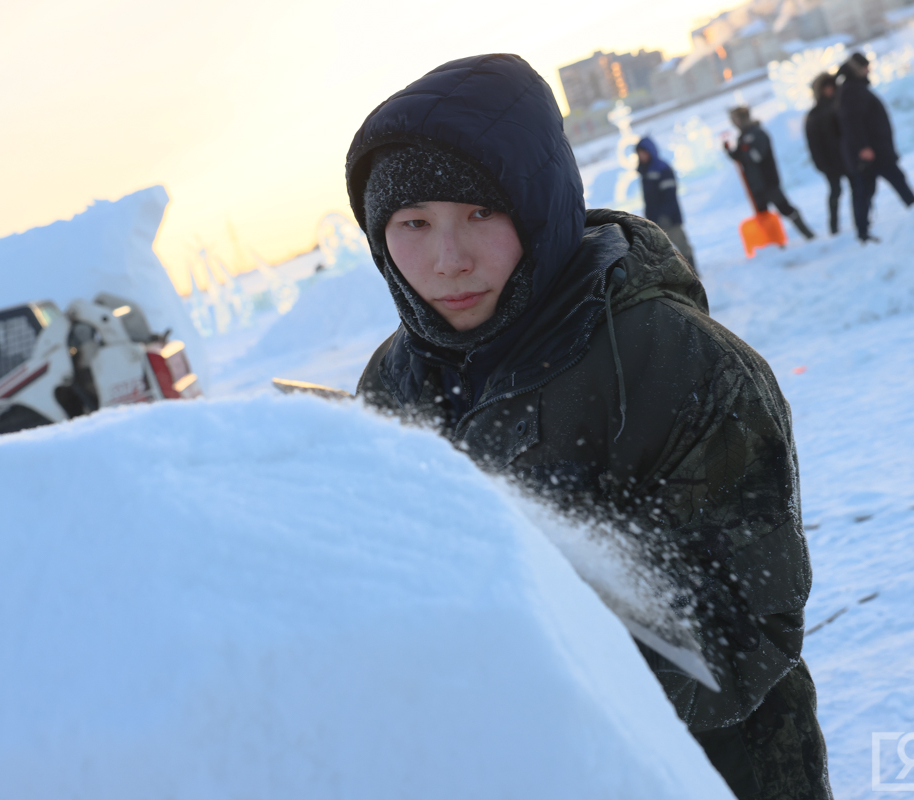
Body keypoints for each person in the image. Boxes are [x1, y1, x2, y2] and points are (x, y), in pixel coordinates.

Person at [347, 53, 832, 800]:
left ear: (538, 206)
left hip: (709, 773)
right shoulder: (391, 385)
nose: (448, 259)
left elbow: (743, 629)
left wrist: (526, 700)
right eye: (413, 223)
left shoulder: (675, 361)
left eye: (480, 213)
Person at [836, 52, 914, 243]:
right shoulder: (851, 90)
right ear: (858, 69)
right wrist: (863, 147)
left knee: (868, 191)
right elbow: (851, 122)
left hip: (874, 150)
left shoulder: (853, 87)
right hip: (871, 152)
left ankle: (863, 232)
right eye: (865, 67)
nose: (868, 70)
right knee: (888, 183)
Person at [724, 106, 815, 240]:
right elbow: (740, 156)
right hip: (755, 185)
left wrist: (745, 151)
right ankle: (773, 242)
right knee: (763, 215)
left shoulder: (758, 133)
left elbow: (757, 156)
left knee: (785, 208)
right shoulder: (743, 137)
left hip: (768, 182)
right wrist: (731, 152)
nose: (734, 123)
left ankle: (807, 234)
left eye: (735, 119)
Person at [635, 136, 697, 273]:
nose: (641, 156)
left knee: (682, 245)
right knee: (659, 251)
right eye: (639, 153)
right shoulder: (645, 172)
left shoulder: (662, 169)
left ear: (651, 151)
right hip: (654, 219)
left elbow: (670, 195)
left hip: (669, 217)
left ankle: (693, 273)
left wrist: (665, 215)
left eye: (643, 152)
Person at [805, 73, 850, 236]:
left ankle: (861, 218)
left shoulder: (841, 105)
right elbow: (813, 143)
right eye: (826, 88)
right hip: (830, 162)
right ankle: (834, 226)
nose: (830, 91)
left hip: (847, 156)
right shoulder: (815, 115)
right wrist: (822, 164)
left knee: (857, 188)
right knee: (835, 191)